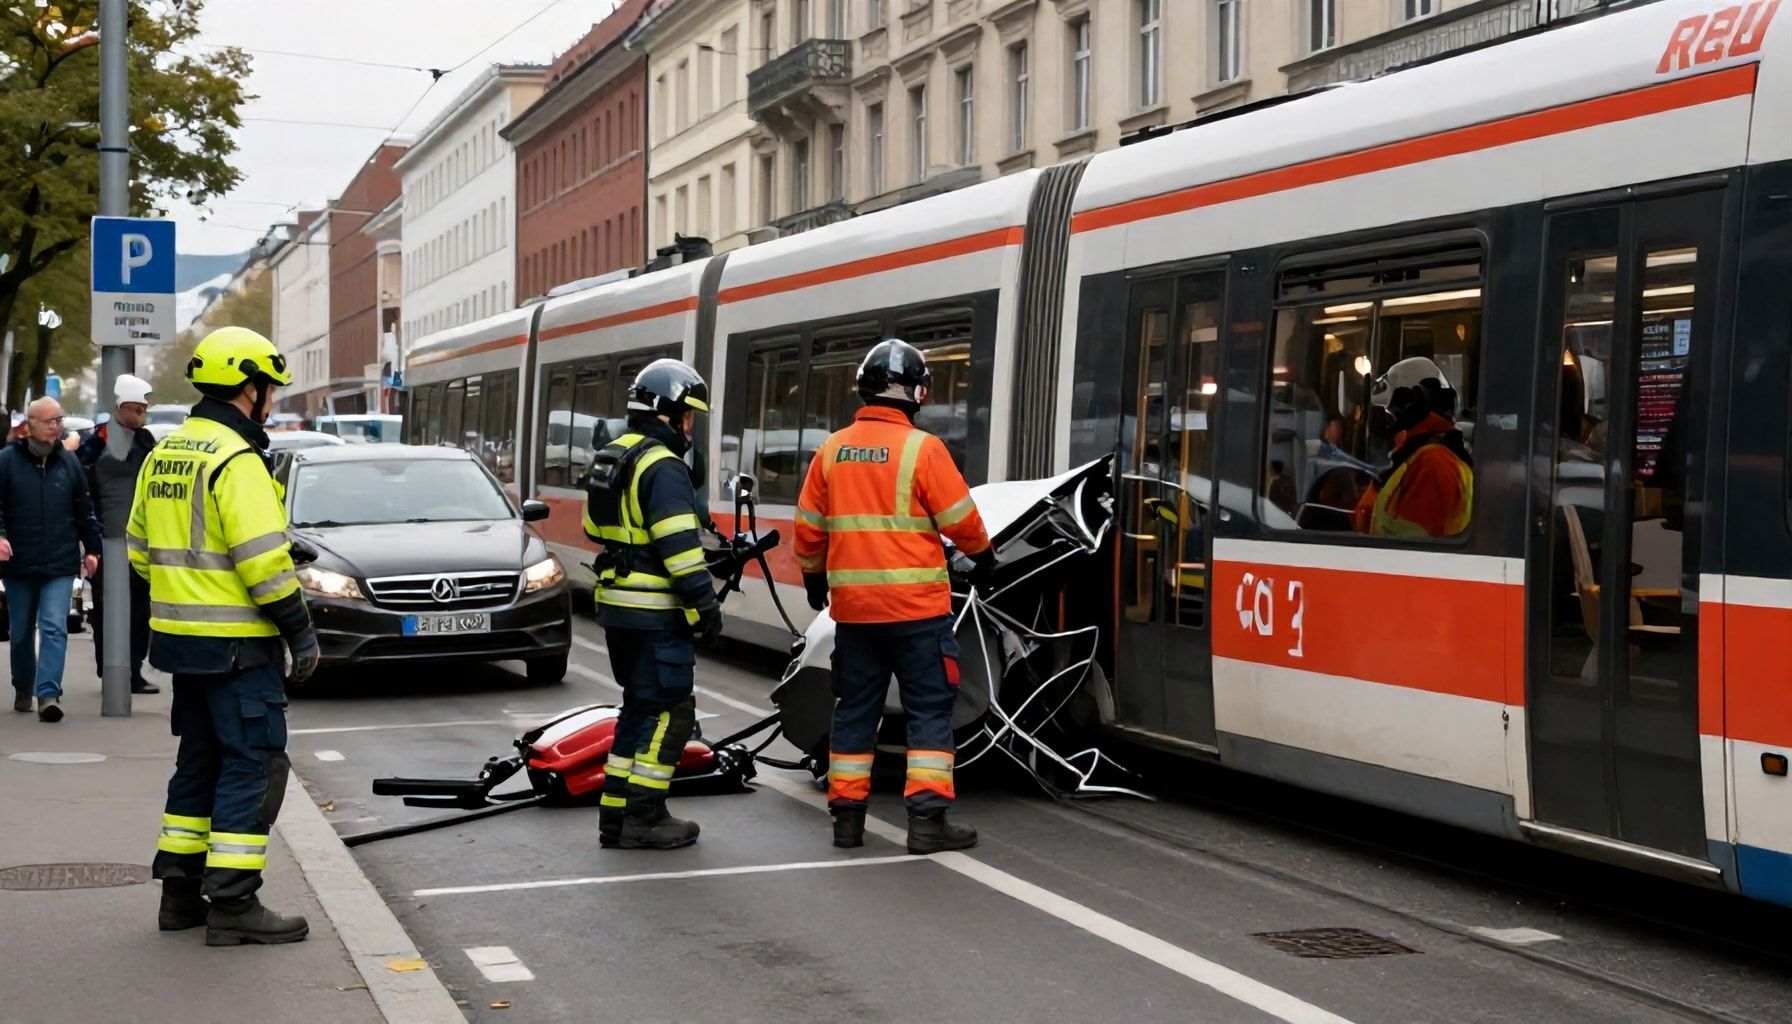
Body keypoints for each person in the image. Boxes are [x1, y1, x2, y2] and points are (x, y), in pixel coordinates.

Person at [130, 326, 320, 946]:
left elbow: (139, 550)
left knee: (199, 762)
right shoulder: (237, 460)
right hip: (240, 646)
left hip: (181, 644)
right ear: (249, 387)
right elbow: (263, 563)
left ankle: (180, 895)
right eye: (268, 387)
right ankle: (235, 903)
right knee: (254, 764)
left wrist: (191, 590)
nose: (270, 398)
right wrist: (300, 631)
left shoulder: (166, 452)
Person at [793, 338, 994, 855]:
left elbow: (809, 530)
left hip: (855, 616)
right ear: (918, 392)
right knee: (929, 709)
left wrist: (815, 576)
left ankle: (846, 821)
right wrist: (984, 555)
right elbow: (961, 522)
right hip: (917, 615)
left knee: (855, 708)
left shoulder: (831, 450)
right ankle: (927, 823)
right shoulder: (923, 450)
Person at [582, 358, 722, 851]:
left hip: (616, 606)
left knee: (637, 708)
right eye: (689, 416)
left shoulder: (612, 455)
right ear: (670, 413)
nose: (690, 427)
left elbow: (594, 529)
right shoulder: (662, 466)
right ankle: (645, 815)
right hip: (654, 612)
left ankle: (615, 816)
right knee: (672, 710)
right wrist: (706, 606)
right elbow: (680, 551)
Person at [0, 397, 102, 721]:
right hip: (18, 562)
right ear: (30, 426)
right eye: (49, 421)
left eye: (58, 420)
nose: (56, 426)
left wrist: (93, 549)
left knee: (55, 627)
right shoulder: (6, 461)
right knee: (20, 633)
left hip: (59, 561)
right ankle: (22, 685)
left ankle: (48, 694)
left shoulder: (68, 463)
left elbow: (83, 509)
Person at [78, 373, 159, 695]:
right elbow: (80, 486)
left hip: (140, 541)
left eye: (144, 409)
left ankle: (134, 669)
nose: (142, 415)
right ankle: (108, 667)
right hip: (105, 538)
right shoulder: (96, 442)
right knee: (106, 610)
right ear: (121, 407)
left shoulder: (146, 441)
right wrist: (88, 537)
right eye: (137, 409)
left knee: (140, 611)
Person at [1353, 356, 1473, 539]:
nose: (1388, 418)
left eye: (1391, 409)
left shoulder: (1433, 463)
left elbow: (1411, 548)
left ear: (1411, 403)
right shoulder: (1416, 455)